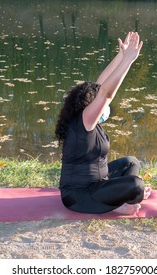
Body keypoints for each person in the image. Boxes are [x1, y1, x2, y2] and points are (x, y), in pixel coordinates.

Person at [55, 32, 150, 215]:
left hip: (100, 182)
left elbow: (101, 84)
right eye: (98, 102)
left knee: (130, 163)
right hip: (79, 196)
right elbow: (106, 93)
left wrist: (121, 55)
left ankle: (121, 199)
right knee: (136, 184)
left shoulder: (87, 117)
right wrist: (128, 61)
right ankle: (120, 204)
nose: (103, 106)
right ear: (88, 105)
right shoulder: (84, 121)